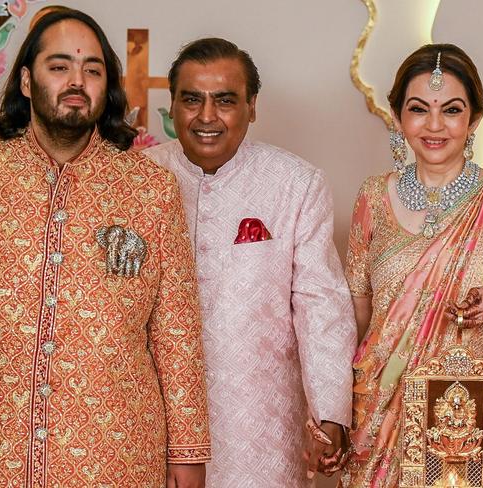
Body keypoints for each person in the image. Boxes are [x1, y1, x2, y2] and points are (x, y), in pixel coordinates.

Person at [0, 9, 210, 487]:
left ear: (105, 87)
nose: (76, 81)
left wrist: (188, 451)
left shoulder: (151, 190)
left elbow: (177, 333)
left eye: (92, 70)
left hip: (113, 453)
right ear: (26, 81)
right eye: (59, 66)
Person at [144, 38, 356, 487]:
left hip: (262, 425)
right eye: (191, 100)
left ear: (252, 106)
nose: (206, 117)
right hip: (150, 417)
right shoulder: (136, 179)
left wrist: (329, 413)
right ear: (172, 105)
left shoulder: (296, 184)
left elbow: (322, 306)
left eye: (224, 100)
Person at [341, 43, 483, 486]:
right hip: (381, 414)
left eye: (451, 110)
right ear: (397, 117)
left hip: (473, 420)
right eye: (419, 109)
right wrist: (334, 412)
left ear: (474, 119)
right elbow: (356, 317)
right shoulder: (373, 197)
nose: (434, 125)